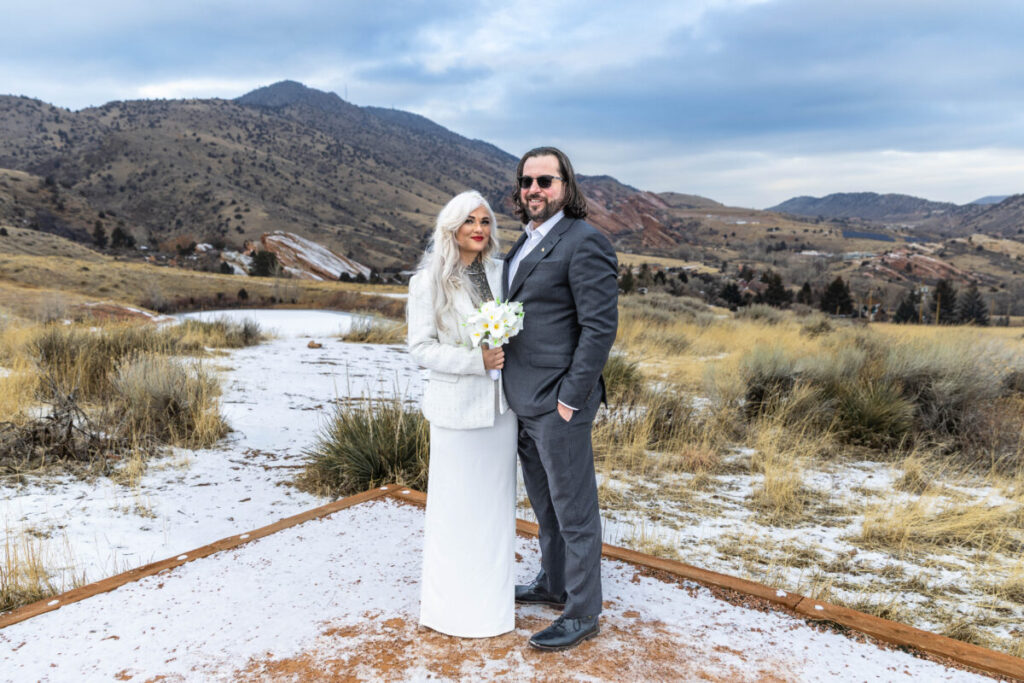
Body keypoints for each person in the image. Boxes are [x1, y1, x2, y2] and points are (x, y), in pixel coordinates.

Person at [502, 147, 619, 651]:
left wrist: (571, 399)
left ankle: (582, 611)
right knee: (545, 504)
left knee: (575, 510)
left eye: (545, 181)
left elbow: (599, 328)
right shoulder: (524, 243)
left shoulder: (585, 242)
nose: (534, 190)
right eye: (527, 181)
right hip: (523, 398)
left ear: (566, 186)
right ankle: (553, 584)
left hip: (558, 403)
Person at [407, 190, 517, 638]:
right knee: (455, 511)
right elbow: (420, 348)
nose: (479, 228)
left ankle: (492, 610)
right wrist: (477, 362)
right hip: (456, 415)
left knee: (494, 511)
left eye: (486, 221)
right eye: (470, 220)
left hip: (501, 413)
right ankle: (451, 611)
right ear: (451, 227)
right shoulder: (428, 280)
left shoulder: (502, 273)